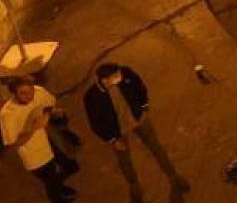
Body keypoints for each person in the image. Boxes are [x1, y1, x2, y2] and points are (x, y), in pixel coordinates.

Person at [83, 63, 189, 203]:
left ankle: (174, 178)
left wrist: (144, 106)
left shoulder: (125, 73)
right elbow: (96, 123)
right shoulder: (92, 97)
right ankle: (134, 187)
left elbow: (139, 86)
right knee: (124, 160)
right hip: (117, 131)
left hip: (138, 119)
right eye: (115, 76)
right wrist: (112, 140)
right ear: (104, 80)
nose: (120, 77)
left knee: (156, 147)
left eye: (119, 74)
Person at [2, 76, 79, 202]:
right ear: (14, 94)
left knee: (65, 169)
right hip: (35, 156)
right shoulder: (8, 115)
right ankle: (57, 198)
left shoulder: (38, 92)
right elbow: (13, 144)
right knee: (51, 180)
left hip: (49, 143)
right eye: (23, 93)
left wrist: (53, 113)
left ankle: (59, 186)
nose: (30, 96)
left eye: (31, 90)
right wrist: (33, 128)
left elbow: (49, 104)